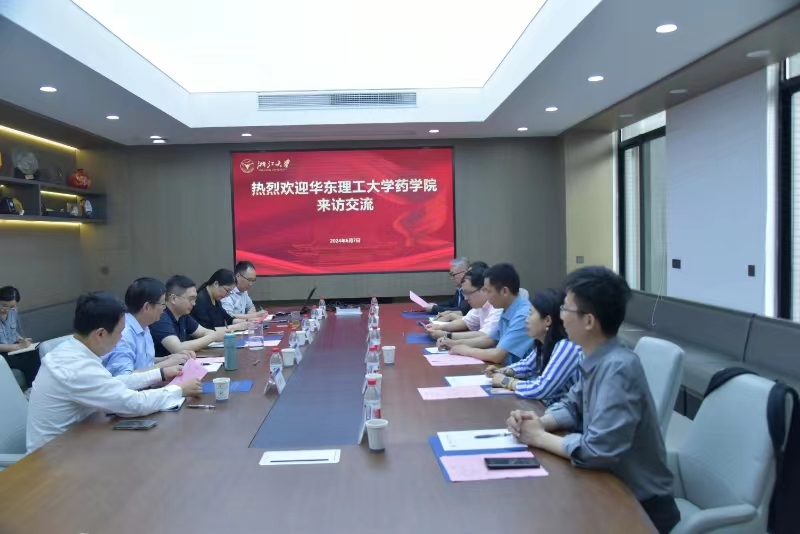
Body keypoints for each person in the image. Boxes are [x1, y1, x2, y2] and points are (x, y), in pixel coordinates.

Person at [506, 267, 679, 534]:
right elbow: (572, 404)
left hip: (639, 505)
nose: (561, 316)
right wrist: (539, 421)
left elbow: (598, 450)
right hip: (607, 486)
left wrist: (538, 437)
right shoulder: (594, 357)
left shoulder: (618, 368)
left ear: (588, 321)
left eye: (565, 309)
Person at [26, 292, 202, 452]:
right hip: (53, 458)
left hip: (78, 440)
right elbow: (131, 404)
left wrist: (160, 374)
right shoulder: (76, 366)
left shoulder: (72, 350)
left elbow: (110, 383)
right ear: (100, 334)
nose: (121, 339)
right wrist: (178, 390)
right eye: (119, 333)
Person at [486, 288, 582, 404]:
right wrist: (504, 371)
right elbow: (527, 365)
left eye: (531, 314)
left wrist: (506, 381)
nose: (526, 320)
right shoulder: (545, 342)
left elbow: (541, 388)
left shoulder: (567, 346)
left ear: (547, 320)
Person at [102, 278, 197, 377]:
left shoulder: (144, 326)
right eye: (162, 304)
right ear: (147, 307)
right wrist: (164, 366)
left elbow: (144, 363)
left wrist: (169, 358)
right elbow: (124, 377)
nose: (164, 308)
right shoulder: (123, 333)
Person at [448, 263, 533, 365]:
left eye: (488, 291)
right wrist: (455, 343)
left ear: (504, 291)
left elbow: (497, 355)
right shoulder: (506, 308)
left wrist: (466, 350)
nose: (486, 296)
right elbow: (490, 339)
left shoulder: (523, 315)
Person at [150, 275, 225, 358]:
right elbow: (177, 348)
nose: (194, 303)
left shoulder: (183, 315)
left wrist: (211, 335)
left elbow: (204, 331)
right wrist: (212, 337)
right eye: (191, 299)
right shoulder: (160, 316)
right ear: (173, 299)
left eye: (195, 299)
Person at [427, 266, 501, 347]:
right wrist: (438, 327)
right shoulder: (481, 305)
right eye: (464, 293)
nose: (465, 298)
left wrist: (447, 335)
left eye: (468, 293)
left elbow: (485, 336)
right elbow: (465, 322)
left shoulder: (497, 306)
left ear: (483, 290)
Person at [0, 285, 37, 390]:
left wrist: (21, 340)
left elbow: (12, 332)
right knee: (26, 361)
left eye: (12, 307)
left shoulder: (13, 311)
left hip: (12, 349)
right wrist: (18, 347)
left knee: (35, 353)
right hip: (2, 353)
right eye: (4, 305)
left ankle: (36, 388)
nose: (7, 310)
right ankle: (31, 388)